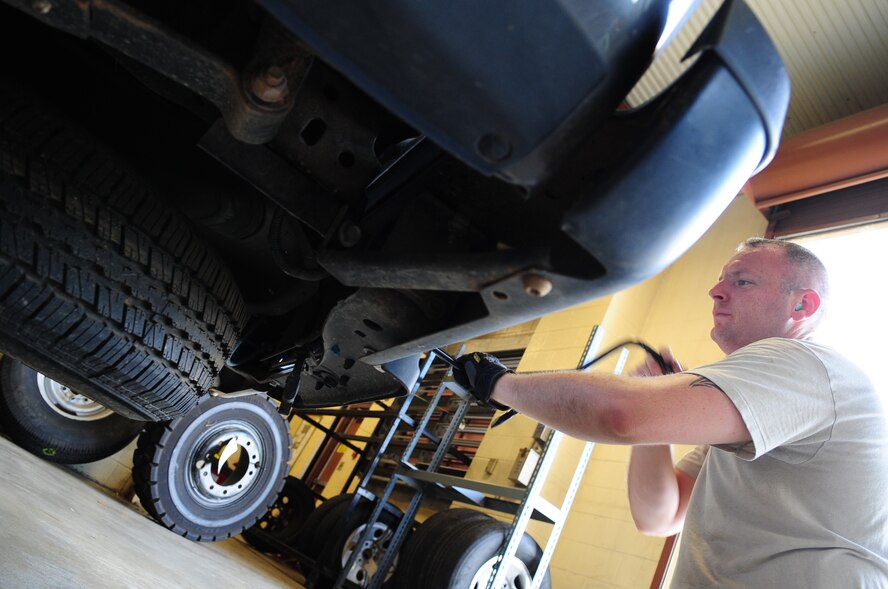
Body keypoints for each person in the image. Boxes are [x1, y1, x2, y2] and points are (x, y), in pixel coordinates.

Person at [454, 237, 888, 587]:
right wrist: (653, 419)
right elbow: (660, 515)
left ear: (802, 306)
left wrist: (498, 383)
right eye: (721, 280)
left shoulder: (805, 364)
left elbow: (621, 416)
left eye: (742, 281)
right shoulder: (756, 419)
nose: (715, 291)